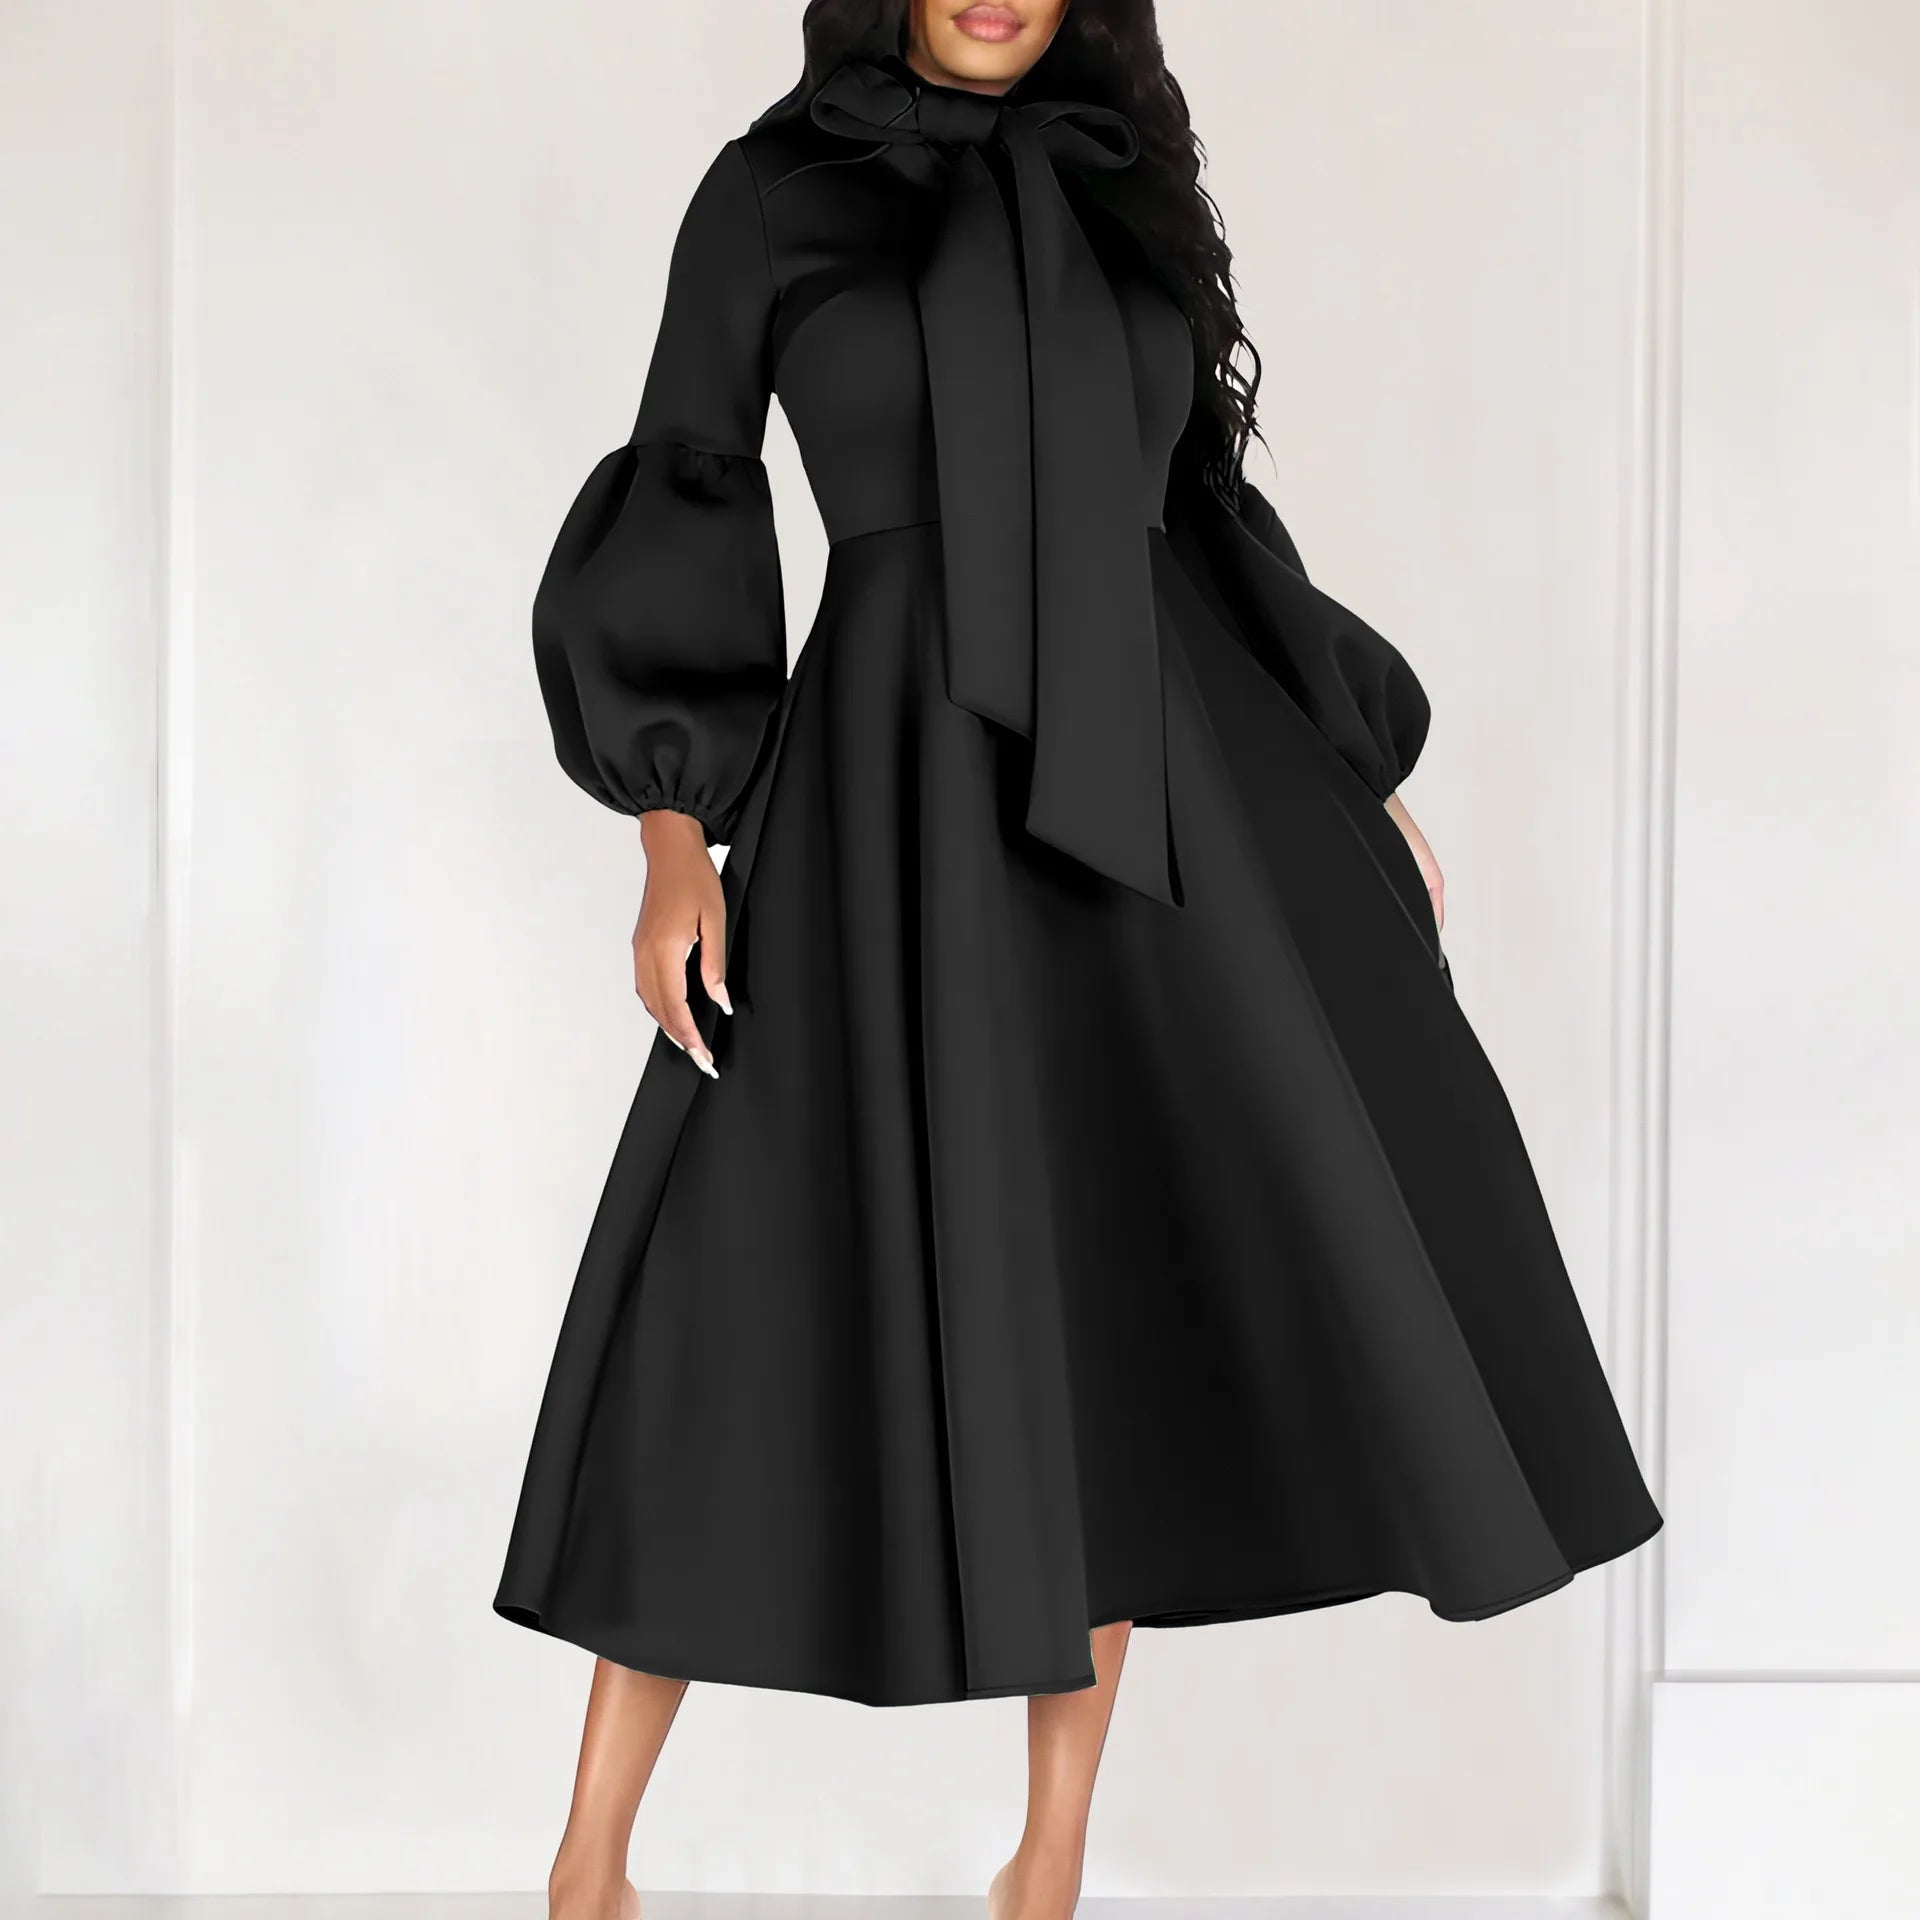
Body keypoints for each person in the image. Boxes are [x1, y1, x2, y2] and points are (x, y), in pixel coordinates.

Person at [497, 4, 1663, 1916]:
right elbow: (689, 477)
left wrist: (1350, 773)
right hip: (885, 792)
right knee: (733, 1273)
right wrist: (672, 835)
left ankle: (1046, 1869)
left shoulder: (1127, 192)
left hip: (1159, 791)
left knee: (1107, 1289)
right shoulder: (772, 194)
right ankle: (588, 1868)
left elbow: (1200, 518)